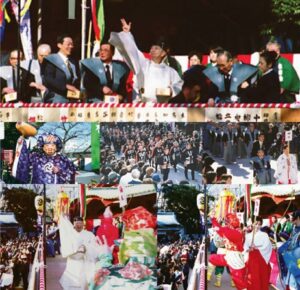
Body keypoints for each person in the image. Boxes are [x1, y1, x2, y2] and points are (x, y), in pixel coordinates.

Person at [109, 19, 183, 103]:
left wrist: (171, 90)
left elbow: (179, 84)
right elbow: (133, 52)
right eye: (152, 48)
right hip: (142, 104)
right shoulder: (144, 64)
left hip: (161, 107)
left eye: (156, 48)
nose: (152, 50)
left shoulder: (170, 71)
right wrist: (127, 35)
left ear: (163, 53)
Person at [12, 129, 77, 184]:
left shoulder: (63, 160)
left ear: (56, 147)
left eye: (52, 145)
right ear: (42, 147)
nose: (50, 148)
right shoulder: (36, 157)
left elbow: (73, 175)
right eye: (47, 145)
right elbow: (24, 159)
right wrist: (22, 143)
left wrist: (60, 171)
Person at [208, 213, 247, 290]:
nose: (225, 224)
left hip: (236, 259)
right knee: (212, 258)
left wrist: (215, 224)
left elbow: (222, 230)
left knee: (240, 284)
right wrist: (213, 219)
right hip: (228, 256)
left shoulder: (237, 232)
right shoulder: (233, 230)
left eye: (227, 222)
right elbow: (221, 230)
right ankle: (207, 276)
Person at [59, 216, 99, 290]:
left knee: (83, 283)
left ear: (83, 224)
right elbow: (64, 248)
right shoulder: (70, 235)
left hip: (84, 262)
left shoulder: (89, 234)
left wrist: (86, 247)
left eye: (80, 223)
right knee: (71, 282)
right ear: (73, 224)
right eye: (77, 223)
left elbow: (94, 246)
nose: (78, 225)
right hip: (72, 262)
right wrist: (74, 250)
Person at [43, 35, 80, 103]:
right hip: (55, 99)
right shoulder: (51, 60)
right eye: (68, 44)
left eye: (72, 44)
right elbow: (48, 79)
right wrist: (66, 86)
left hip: (72, 99)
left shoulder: (73, 62)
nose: (71, 46)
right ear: (59, 45)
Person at [244, 216, 272, 290]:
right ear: (252, 224)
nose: (257, 226)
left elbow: (268, 246)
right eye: (256, 224)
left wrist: (257, 248)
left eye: (259, 224)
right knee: (252, 277)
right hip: (251, 258)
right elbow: (245, 247)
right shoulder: (248, 235)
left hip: (261, 258)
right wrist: (248, 249)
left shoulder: (264, 235)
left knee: (261, 277)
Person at [278, 210, 300, 290]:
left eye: (293, 218)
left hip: (297, 263)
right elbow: (290, 242)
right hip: (292, 262)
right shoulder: (295, 229)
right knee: (292, 285)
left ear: (297, 218)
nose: (291, 220)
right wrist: (281, 249)